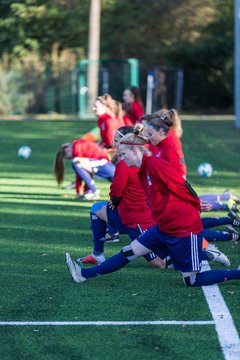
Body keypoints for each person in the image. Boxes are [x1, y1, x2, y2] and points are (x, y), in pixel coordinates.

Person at [65, 124, 240, 286]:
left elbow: (181, 185)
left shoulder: (154, 164)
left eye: (123, 154)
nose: (121, 158)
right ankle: (83, 274)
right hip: (164, 227)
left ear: (134, 151)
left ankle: (235, 272)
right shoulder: (142, 170)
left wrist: (196, 204)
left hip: (182, 229)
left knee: (191, 280)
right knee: (129, 252)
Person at [142, 109, 240, 212]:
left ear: (160, 129)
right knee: (193, 204)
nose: (145, 132)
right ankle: (226, 200)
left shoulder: (170, 143)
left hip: (177, 179)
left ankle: (226, 201)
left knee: (192, 205)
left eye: (147, 129)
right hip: (173, 179)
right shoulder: (161, 141)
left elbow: (175, 165)